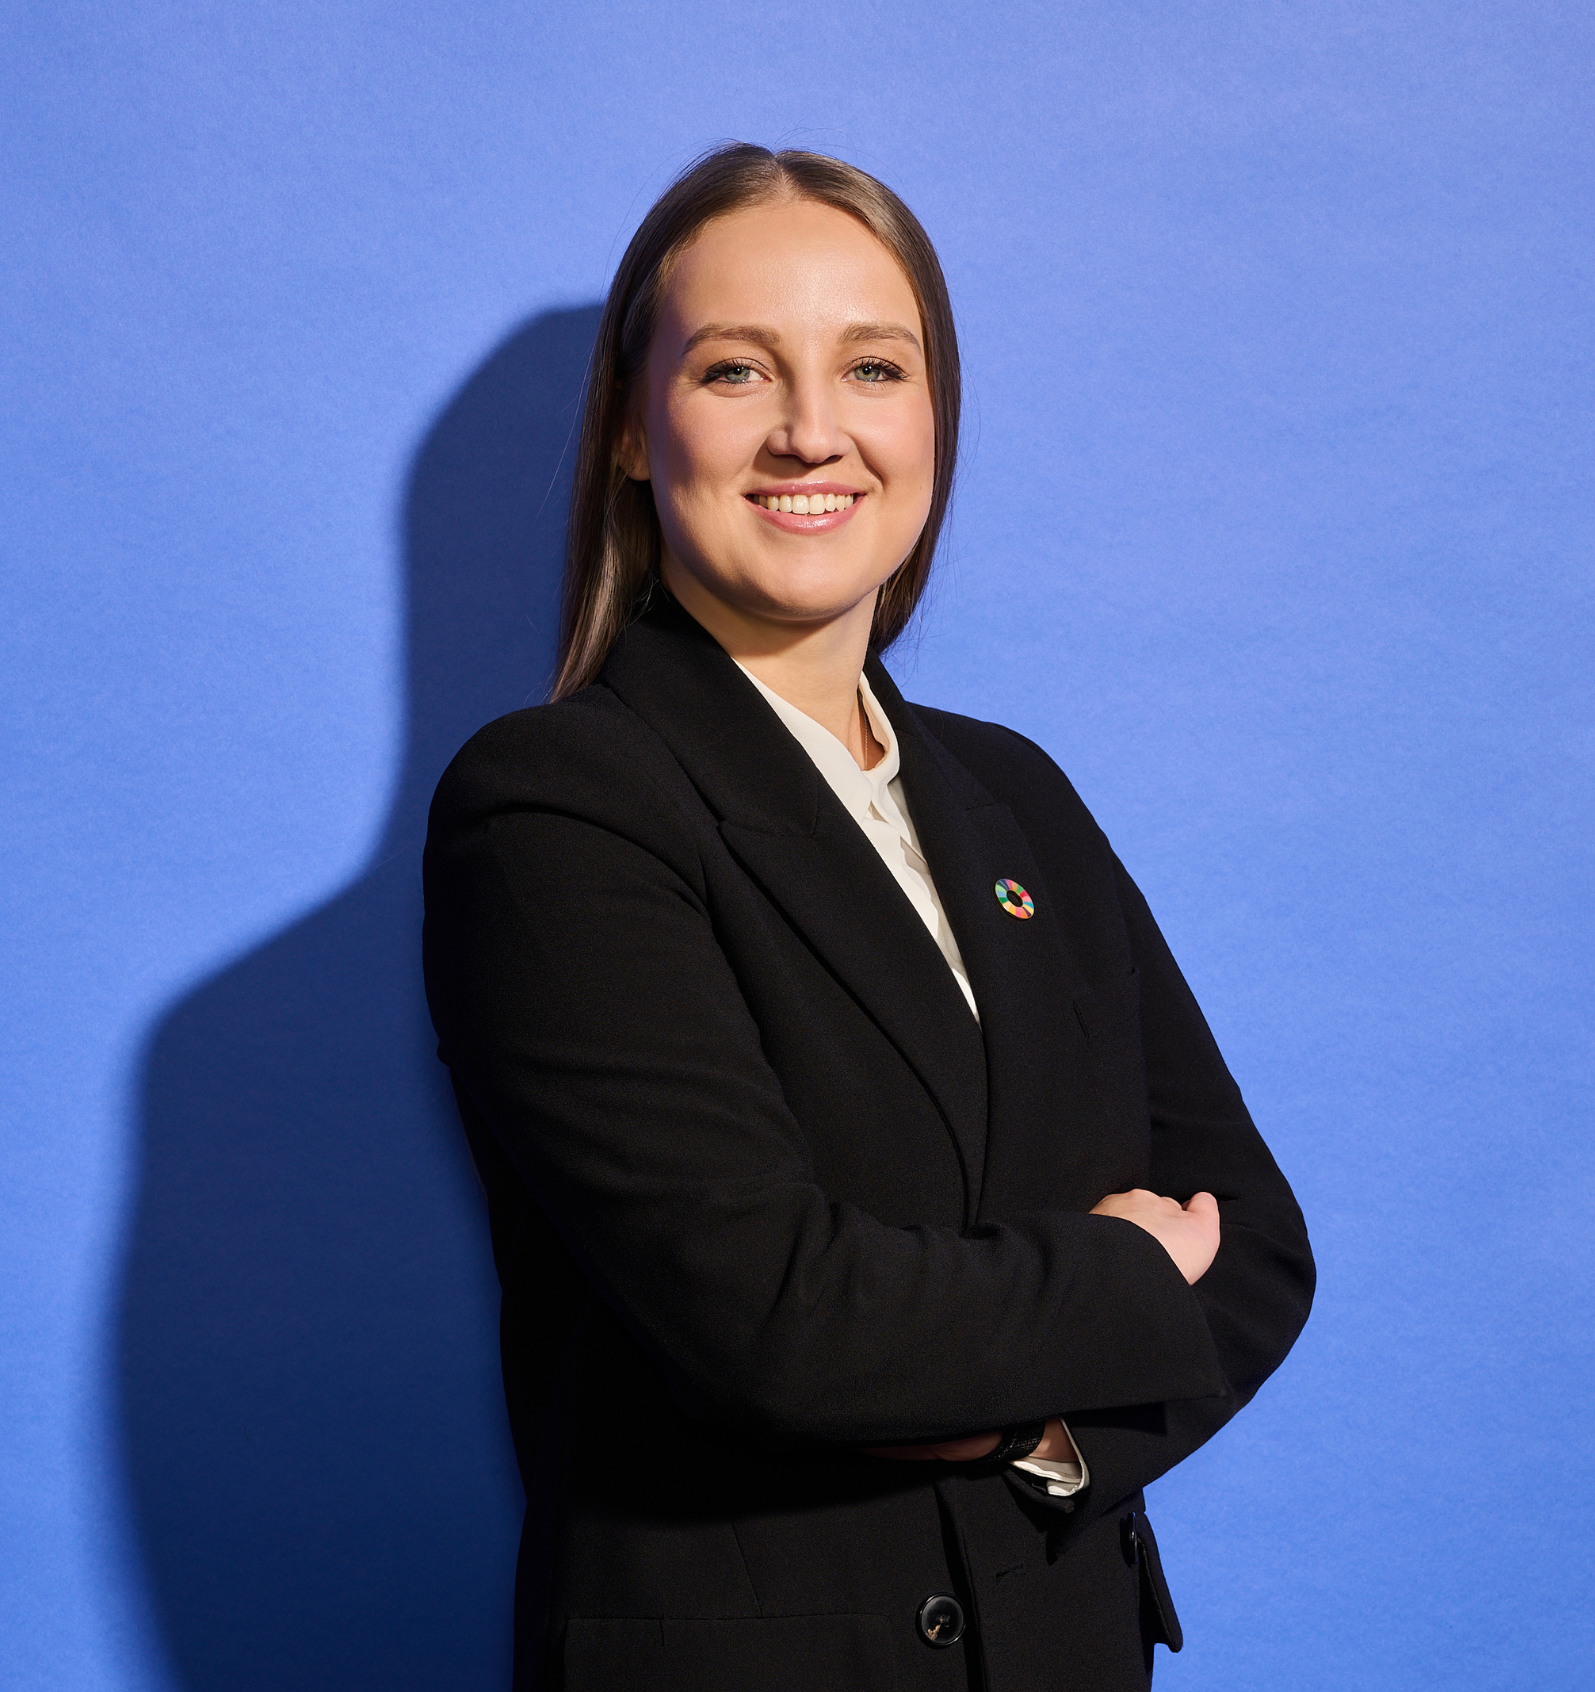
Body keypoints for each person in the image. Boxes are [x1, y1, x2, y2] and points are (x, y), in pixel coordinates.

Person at [422, 143, 1314, 1692]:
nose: (811, 430)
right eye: (735, 370)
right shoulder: (554, 807)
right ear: (631, 429)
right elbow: (780, 1325)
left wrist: (1029, 1429)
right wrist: (1119, 1283)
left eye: (873, 367)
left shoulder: (1017, 793)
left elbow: (1255, 1247)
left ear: (933, 418)